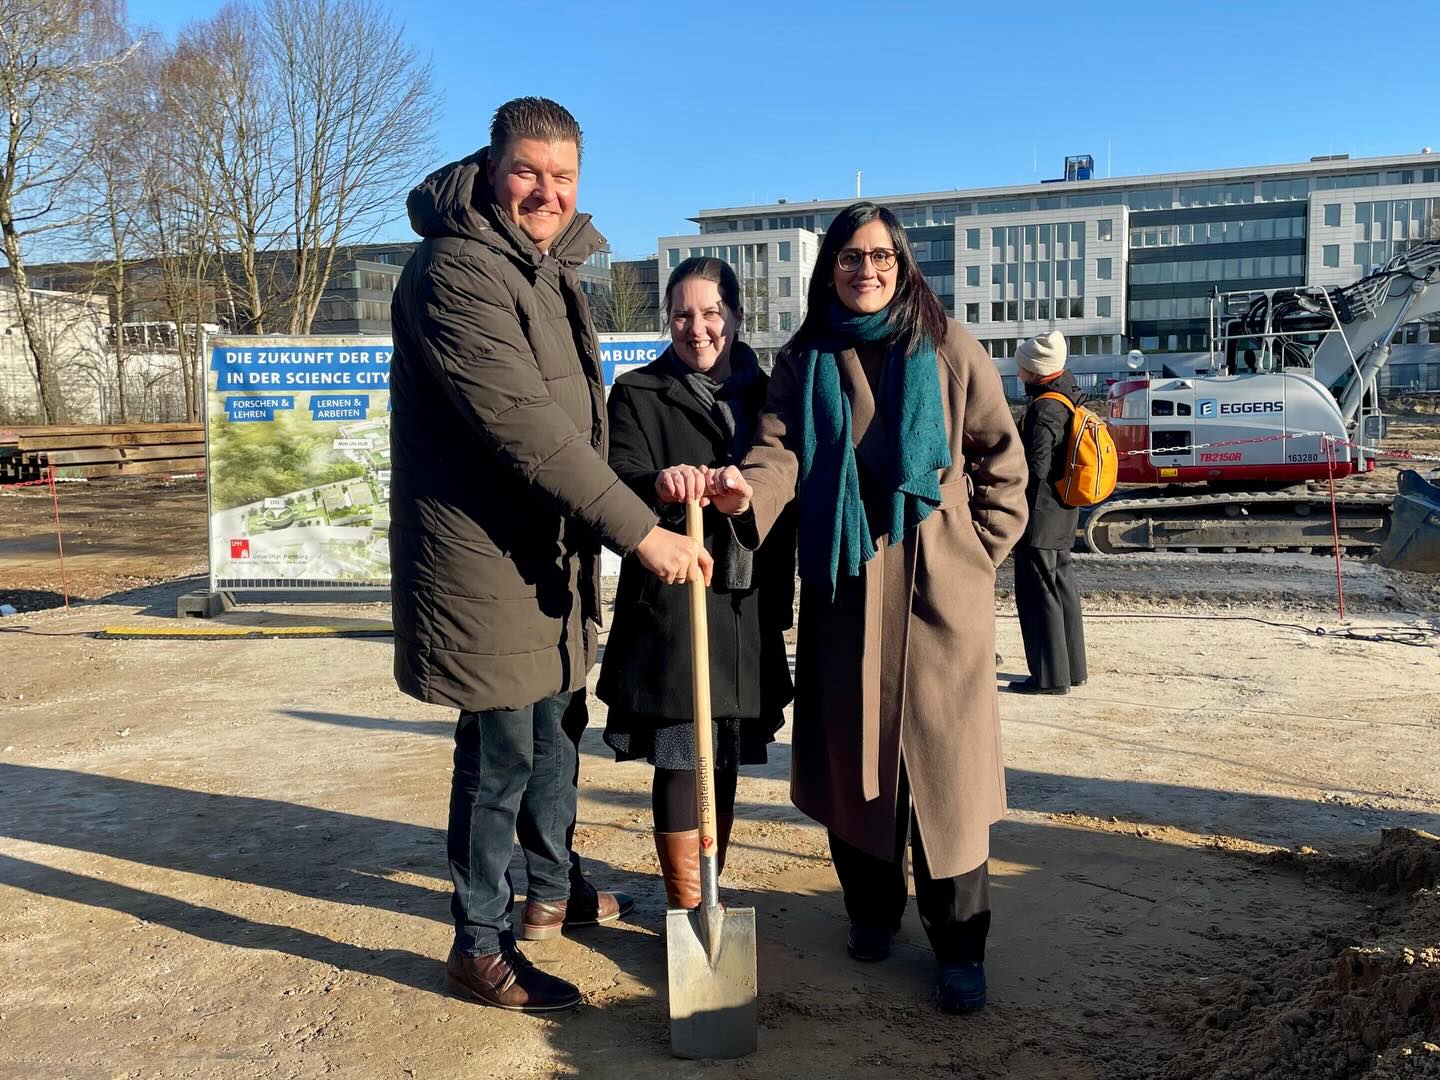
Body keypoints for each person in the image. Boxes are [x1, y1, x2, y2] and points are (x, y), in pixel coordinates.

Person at [388, 96, 712, 1013]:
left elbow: (583, 422)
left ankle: (550, 887)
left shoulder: (545, 268)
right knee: (498, 760)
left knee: (551, 739)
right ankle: (479, 940)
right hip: (481, 560)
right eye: (529, 172)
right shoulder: (458, 272)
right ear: (492, 168)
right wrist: (639, 533)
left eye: (563, 177)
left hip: (546, 556)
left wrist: (653, 486)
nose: (547, 191)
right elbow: (525, 428)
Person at [707, 202, 1028, 1013]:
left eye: (881, 256)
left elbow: (1001, 459)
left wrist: (972, 551)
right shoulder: (807, 356)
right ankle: (872, 912)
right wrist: (748, 489)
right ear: (831, 269)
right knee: (857, 764)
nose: (867, 271)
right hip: (846, 587)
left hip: (939, 590)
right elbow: (777, 451)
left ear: (903, 262)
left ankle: (960, 945)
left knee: (945, 776)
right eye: (851, 257)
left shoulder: (949, 346)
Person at [596, 257, 795, 910]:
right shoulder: (637, 391)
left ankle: (712, 892)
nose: (698, 327)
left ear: (735, 318)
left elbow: (787, 479)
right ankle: (687, 906)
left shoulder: (768, 394)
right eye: (683, 314)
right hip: (674, 602)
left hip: (743, 598)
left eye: (712, 313)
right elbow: (612, 478)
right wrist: (659, 482)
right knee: (684, 752)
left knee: (725, 753)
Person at [1008, 330, 1089, 696]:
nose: (1018, 372)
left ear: (1037, 371)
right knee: (1061, 586)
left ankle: (1049, 678)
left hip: (1040, 511)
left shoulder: (1044, 408)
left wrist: (1013, 490)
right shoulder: (1068, 396)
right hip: (1063, 507)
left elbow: (1036, 464)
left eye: (1023, 366)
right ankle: (1073, 670)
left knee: (1039, 591)